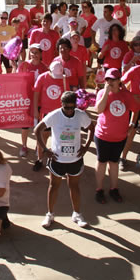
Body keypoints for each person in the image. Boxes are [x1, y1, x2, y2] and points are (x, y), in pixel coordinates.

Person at [35, 91, 94, 229]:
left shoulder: (80, 115)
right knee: (53, 186)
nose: (69, 111)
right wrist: (45, 150)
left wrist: (86, 147)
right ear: (61, 104)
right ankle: (49, 214)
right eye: (66, 107)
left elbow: (91, 128)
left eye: (72, 107)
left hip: (75, 159)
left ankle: (77, 214)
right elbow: (38, 130)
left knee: (74, 186)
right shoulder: (55, 115)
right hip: (58, 159)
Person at [93, 68, 138, 204]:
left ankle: (114, 188)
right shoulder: (102, 93)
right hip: (103, 135)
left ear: (119, 81)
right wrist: (106, 92)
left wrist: (132, 124)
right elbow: (98, 110)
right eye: (108, 79)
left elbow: (135, 110)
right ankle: (99, 189)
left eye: (113, 79)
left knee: (114, 163)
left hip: (120, 137)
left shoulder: (126, 95)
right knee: (101, 162)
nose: (110, 82)